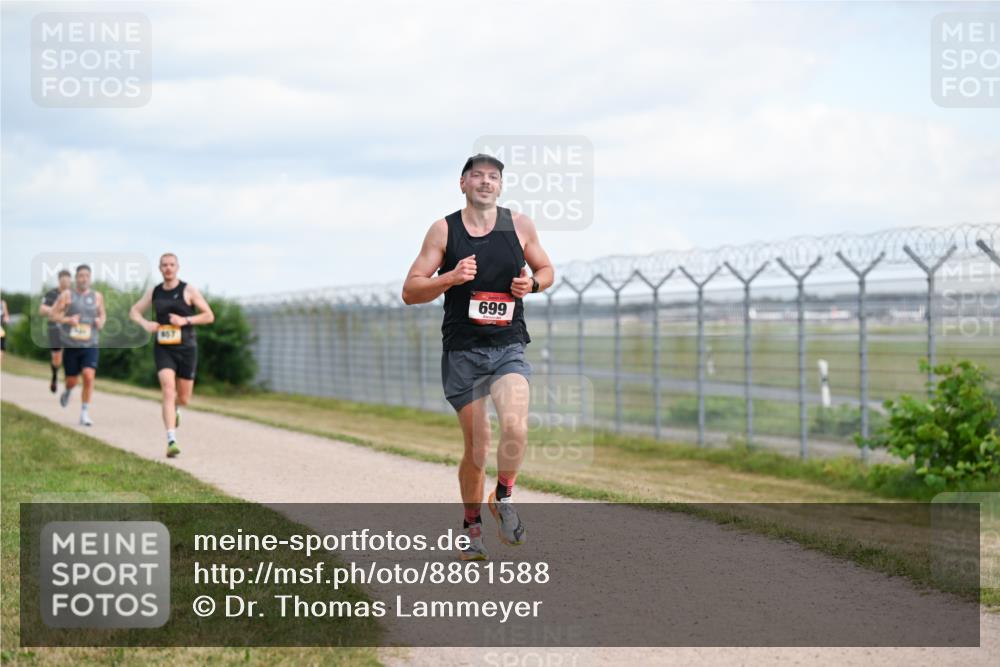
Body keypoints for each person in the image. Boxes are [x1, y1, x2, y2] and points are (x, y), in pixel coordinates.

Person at [402, 153, 554, 560]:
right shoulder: (443, 230)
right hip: (463, 353)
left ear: (500, 186)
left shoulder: (519, 225)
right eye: (477, 176)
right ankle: (471, 527)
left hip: (508, 347)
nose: (486, 182)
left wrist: (532, 284)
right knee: (478, 448)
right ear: (463, 183)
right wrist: (450, 277)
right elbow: (410, 290)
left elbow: (547, 269)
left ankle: (502, 496)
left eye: (493, 177)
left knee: (516, 427)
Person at [129, 252, 214, 458]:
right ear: (160, 268)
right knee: (168, 390)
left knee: (183, 398)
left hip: (187, 347)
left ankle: (177, 408)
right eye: (164, 265)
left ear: (178, 267)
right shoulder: (155, 292)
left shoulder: (188, 290)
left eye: (171, 264)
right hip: (163, 347)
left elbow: (209, 316)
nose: (168, 268)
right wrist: (145, 323)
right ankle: (171, 440)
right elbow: (134, 311)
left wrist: (185, 321)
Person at [51, 265, 106, 426]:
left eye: (86, 276)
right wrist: (68, 320)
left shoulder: (97, 296)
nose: (84, 279)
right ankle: (68, 391)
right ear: (76, 278)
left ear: (90, 278)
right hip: (71, 345)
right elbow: (54, 315)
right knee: (72, 381)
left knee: (89, 376)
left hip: (91, 343)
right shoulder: (67, 295)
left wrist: (100, 321)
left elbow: (103, 314)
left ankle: (84, 413)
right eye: (81, 276)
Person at [39, 269, 73, 392]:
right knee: (57, 358)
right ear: (59, 281)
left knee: (71, 355)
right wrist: (54, 309)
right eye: (63, 280)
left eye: (68, 281)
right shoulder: (51, 294)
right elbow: (41, 310)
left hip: (70, 328)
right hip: (55, 328)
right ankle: (54, 377)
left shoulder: (74, 294)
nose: (66, 283)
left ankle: (69, 380)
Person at [0, 297, 9, 363]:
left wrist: (6, 319)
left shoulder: (3, 303)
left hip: (1, 328)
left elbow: (6, 316)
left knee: (1, 348)